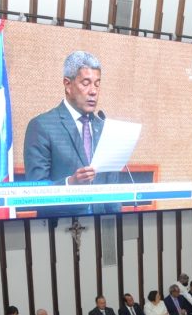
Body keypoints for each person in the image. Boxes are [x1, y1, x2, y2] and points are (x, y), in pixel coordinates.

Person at [22, 51, 125, 216]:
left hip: (101, 229)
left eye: (97, 84)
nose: (93, 91)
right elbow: (35, 192)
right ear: (67, 85)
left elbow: (112, 190)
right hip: (60, 230)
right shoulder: (42, 126)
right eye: (86, 83)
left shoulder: (104, 127)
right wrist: (70, 183)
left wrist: (117, 226)